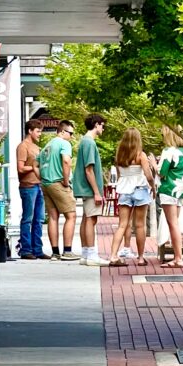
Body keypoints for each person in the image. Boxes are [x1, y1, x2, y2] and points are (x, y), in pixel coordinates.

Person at [108, 129, 156, 266]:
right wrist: (153, 187)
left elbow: (119, 175)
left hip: (124, 190)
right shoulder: (141, 155)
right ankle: (141, 258)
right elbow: (148, 175)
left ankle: (113, 256)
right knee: (140, 225)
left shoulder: (119, 155)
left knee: (122, 225)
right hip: (140, 190)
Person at [37, 120, 80, 260]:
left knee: (53, 217)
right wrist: (66, 181)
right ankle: (67, 251)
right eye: (70, 133)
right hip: (59, 183)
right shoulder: (64, 144)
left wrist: (42, 177)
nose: (72, 137)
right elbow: (66, 161)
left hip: (47, 184)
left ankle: (55, 252)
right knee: (71, 215)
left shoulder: (46, 146)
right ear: (62, 131)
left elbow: (34, 164)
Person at [72, 113, 109, 266]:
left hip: (84, 188)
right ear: (96, 124)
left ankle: (86, 253)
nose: (103, 128)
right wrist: (96, 192)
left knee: (86, 219)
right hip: (89, 189)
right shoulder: (89, 142)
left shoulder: (85, 141)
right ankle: (91, 254)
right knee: (91, 220)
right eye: (102, 125)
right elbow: (89, 169)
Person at [157, 125, 183, 268]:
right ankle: (177, 257)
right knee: (175, 223)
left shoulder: (168, 151)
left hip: (169, 189)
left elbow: (161, 172)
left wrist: (154, 163)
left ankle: (178, 258)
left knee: (172, 224)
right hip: (181, 190)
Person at [15, 120, 47, 259]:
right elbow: (20, 168)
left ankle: (37, 250)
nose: (40, 134)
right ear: (30, 131)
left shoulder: (36, 147)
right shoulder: (23, 147)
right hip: (28, 186)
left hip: (39, 186)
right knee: (28, 218)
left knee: (39, 219)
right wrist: (34, 168)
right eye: (38, 131)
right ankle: (25, 250)